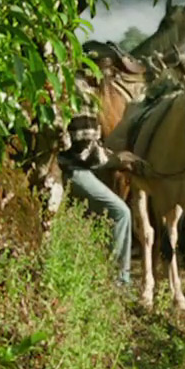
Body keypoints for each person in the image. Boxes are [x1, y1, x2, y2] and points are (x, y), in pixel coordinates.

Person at [57, 112, 145, 288]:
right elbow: (82, 153)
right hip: (71, 169)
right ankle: (119, 281)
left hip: (79, 167)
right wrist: (116, 159)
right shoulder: (80, 101)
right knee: (121, 213)